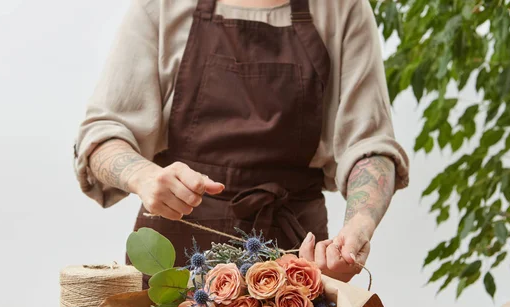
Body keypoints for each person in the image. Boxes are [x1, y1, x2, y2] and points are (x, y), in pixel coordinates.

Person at [73, 0, 410, 288]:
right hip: (171, 265)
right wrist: (142, 176)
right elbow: (101, 134)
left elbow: (370, 145)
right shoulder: (163, 6)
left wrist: (356, 229)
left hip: (294, 266)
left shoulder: (342, 8)